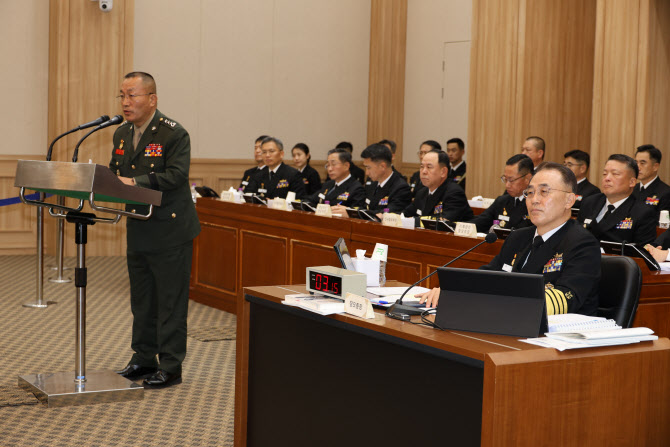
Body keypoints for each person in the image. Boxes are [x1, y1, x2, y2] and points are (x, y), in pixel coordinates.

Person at [111, 72, 201, 389]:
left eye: (132, 95)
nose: (125, 102)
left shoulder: (174, 134)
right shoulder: (121, 133)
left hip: (170, 230)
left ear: (152, 99)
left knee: (170, 304)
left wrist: (135, 182)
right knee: (143, 302)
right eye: (122, 95)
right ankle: (143, 359)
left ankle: (171, 366)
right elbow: (115, 172)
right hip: (139, 227)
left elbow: (176, 175)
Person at [419, 162, 601, 316]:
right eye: (530, 193)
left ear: (569, 200)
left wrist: (498, 301)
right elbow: (489, 275)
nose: (534, 200)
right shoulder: (519, 236)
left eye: (544, 192)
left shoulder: (582, 244)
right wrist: (454, 291)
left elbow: (566, 299)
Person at [577, 154, 657, 245]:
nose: (607, 178)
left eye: (615, 174)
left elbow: (642, 253)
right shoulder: (590, 202)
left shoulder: (642, 212)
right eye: (605, 174)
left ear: (632, 182)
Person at [402, 150, 473, 225]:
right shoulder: (422, 192)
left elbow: (442, 222)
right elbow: (405, 213)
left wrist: (411, 220)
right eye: (422, 167)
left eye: (429, 167)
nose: (424, 171)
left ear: (443, 172)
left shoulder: (454, 193)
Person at [339, 143, 411, 217]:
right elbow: (365, 208)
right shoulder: (372, 184)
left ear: (382, 166)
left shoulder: (401, 188)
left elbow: (386, 215)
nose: (366, 173)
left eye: (369, 168)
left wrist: (354, 213)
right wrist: (349, 210)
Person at [468, 154, 534, 232]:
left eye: (511, 180)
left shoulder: (534, 203)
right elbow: (481, 221)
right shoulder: (502, 201)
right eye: (505, 179)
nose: (507, 185)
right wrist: (456, 226)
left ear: (527, 179)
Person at [634, 144, 670, 215]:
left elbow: (663, 225)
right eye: (636, 163)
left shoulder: (666, 193)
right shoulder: (632, 189)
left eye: (642, 163)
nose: (638, 167)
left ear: (655, 167)